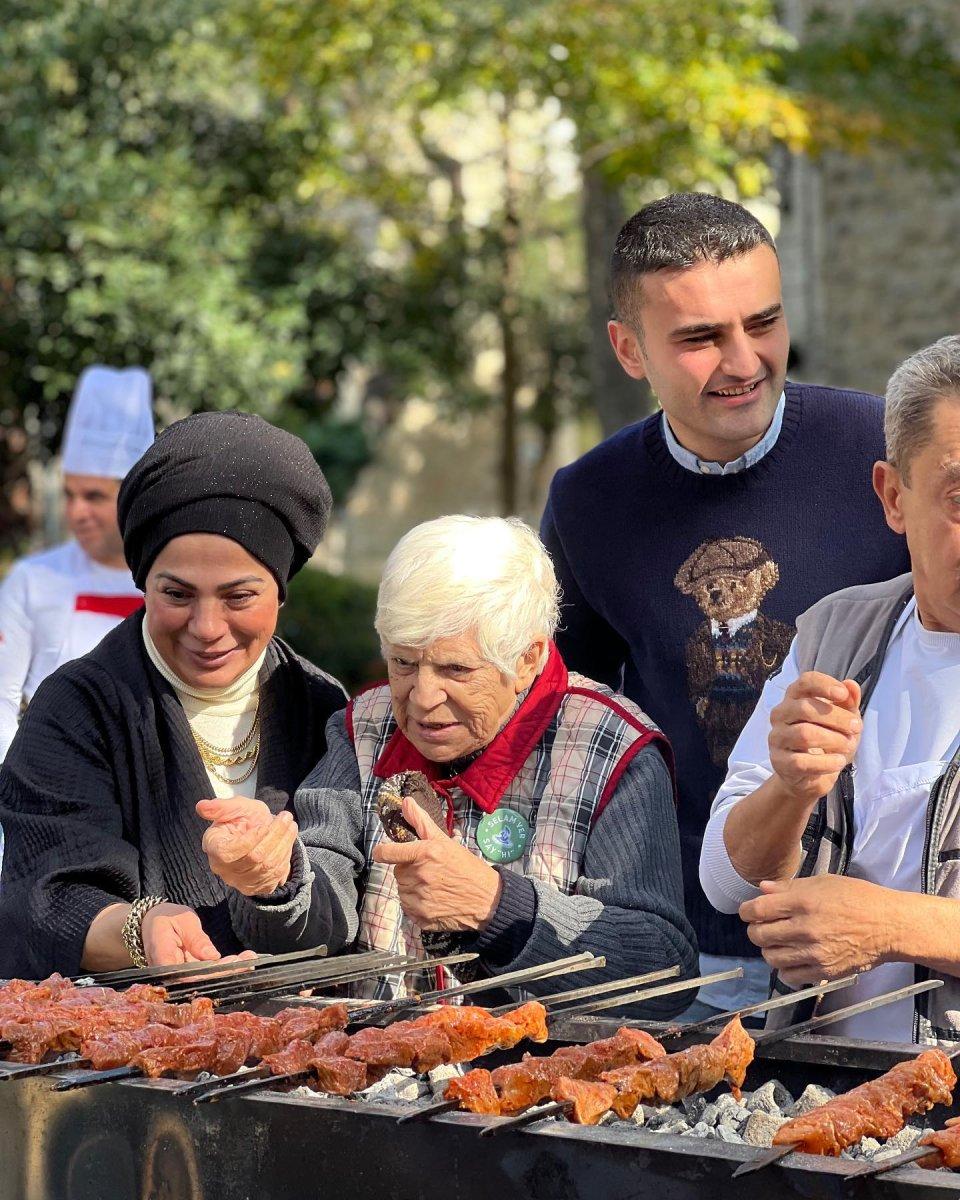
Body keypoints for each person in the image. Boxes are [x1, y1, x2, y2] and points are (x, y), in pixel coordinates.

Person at [540, 193, 910, 1020]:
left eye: (764, 322)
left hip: (877, 948)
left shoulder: (885, 452)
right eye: (701, 337)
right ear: (628, 349)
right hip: (679, 949)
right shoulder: (588, 501)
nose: (744, 360)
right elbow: (566, 723)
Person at [204, 515, 698, 1014]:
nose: (421, 698)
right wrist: (275, 879)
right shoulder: (364, 727)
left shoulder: (614, 747)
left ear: (527, 660)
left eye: (455, 669)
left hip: (545, 1080)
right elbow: (321, 910)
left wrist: (497, 905)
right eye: (402, 663)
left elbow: (667, 971)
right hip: (378, 1073)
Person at [0, 411, 346, 978]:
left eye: (239, 596)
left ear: (281, 593)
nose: (207, 627)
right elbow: (40, 896)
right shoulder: (77, 709)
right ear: (142, 582)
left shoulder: (322, 707)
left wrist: (283, 880)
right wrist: (141, 929)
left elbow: (347, 892)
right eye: (177, 593)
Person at [701, 336, 960, 1044]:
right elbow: (726, 882)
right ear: (892, 496)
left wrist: (892, 924)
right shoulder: (837, 634)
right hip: (821, 1099)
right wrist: (788, 789)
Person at [0, 366, 154, 760]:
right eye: (68, 495)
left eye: (94, 496)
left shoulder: (167, 582)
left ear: (133, 495)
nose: (76, 512)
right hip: (43, 770)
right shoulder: (32, 579)